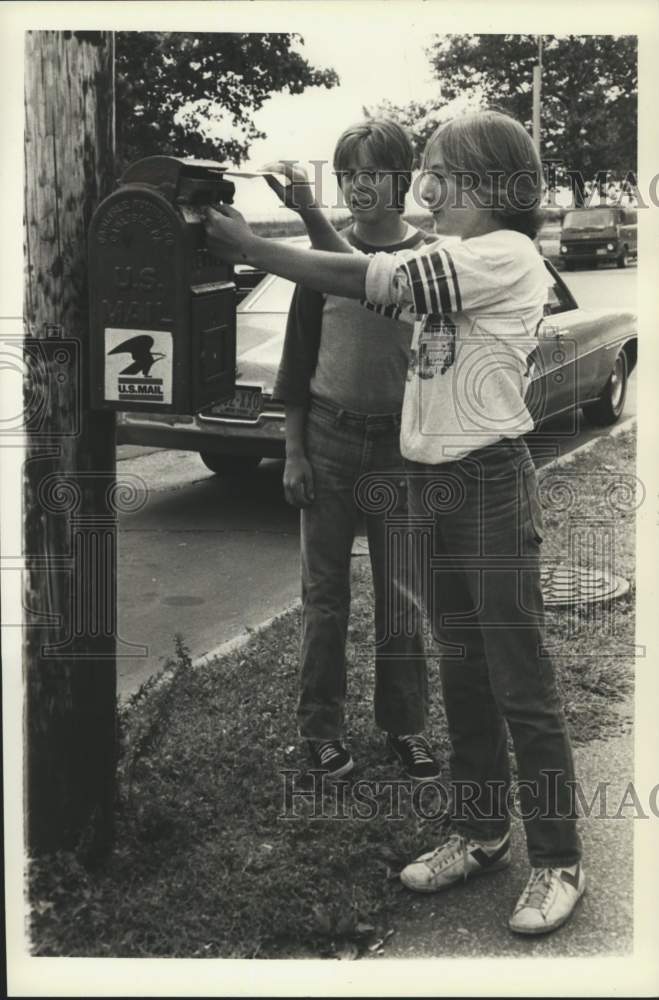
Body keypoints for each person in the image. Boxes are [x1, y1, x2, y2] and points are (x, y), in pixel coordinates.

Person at [204, 109, 584, 937]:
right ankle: (483, 831)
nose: (426, 186)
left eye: (441, 171)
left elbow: (374, 280)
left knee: (519, 679)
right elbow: (369, 266)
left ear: (487, 185)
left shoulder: (501, 255)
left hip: (486, 483)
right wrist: (302, 223)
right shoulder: (452, 257)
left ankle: (558, 858)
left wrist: (254, 251)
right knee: (465, 673)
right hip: (436, 481)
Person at [270, 119, 440, 782]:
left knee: (401, 597)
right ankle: (321, 729)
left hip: (400, 452)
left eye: (374, 172)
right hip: (329, 442)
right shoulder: (318, 268)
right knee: (325, 595)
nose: (361, 185)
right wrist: (293, 452)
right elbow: (296, 366)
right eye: (349, 175)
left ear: (402, 178)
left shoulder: (428, 261)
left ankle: (404, 728)